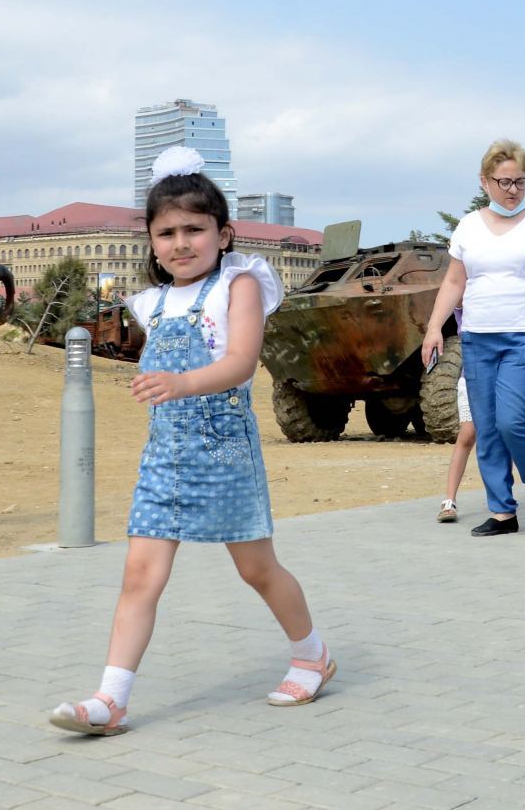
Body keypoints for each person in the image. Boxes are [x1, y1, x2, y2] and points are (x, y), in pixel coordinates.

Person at [49, 147, 331, 736]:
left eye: (194, 230)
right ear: (151, 242)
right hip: (164, 459)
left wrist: (179, 382)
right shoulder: (149, 303)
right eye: (167, 232)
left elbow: (240, 362)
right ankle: (111, 700)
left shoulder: (242, 284)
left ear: (223, 233)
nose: (181, 243)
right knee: (139, 577)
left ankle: (312, 656)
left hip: (226, 452)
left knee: (256, 569)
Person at [421, 140, 525, 537]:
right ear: (485, 182)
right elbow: (454, 280)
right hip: (478, 337)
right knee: (486, 425)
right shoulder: (468, 227)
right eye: (504, 182)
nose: (513, 189)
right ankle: (502, 511)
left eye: (520, 181)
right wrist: (433, 327)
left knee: (513, 420)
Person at [435, 373, 476, 523]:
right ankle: (449, 500)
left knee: (502, 435)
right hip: (472, 374)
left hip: (504, 374)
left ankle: (504, 499)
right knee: (467, 434)